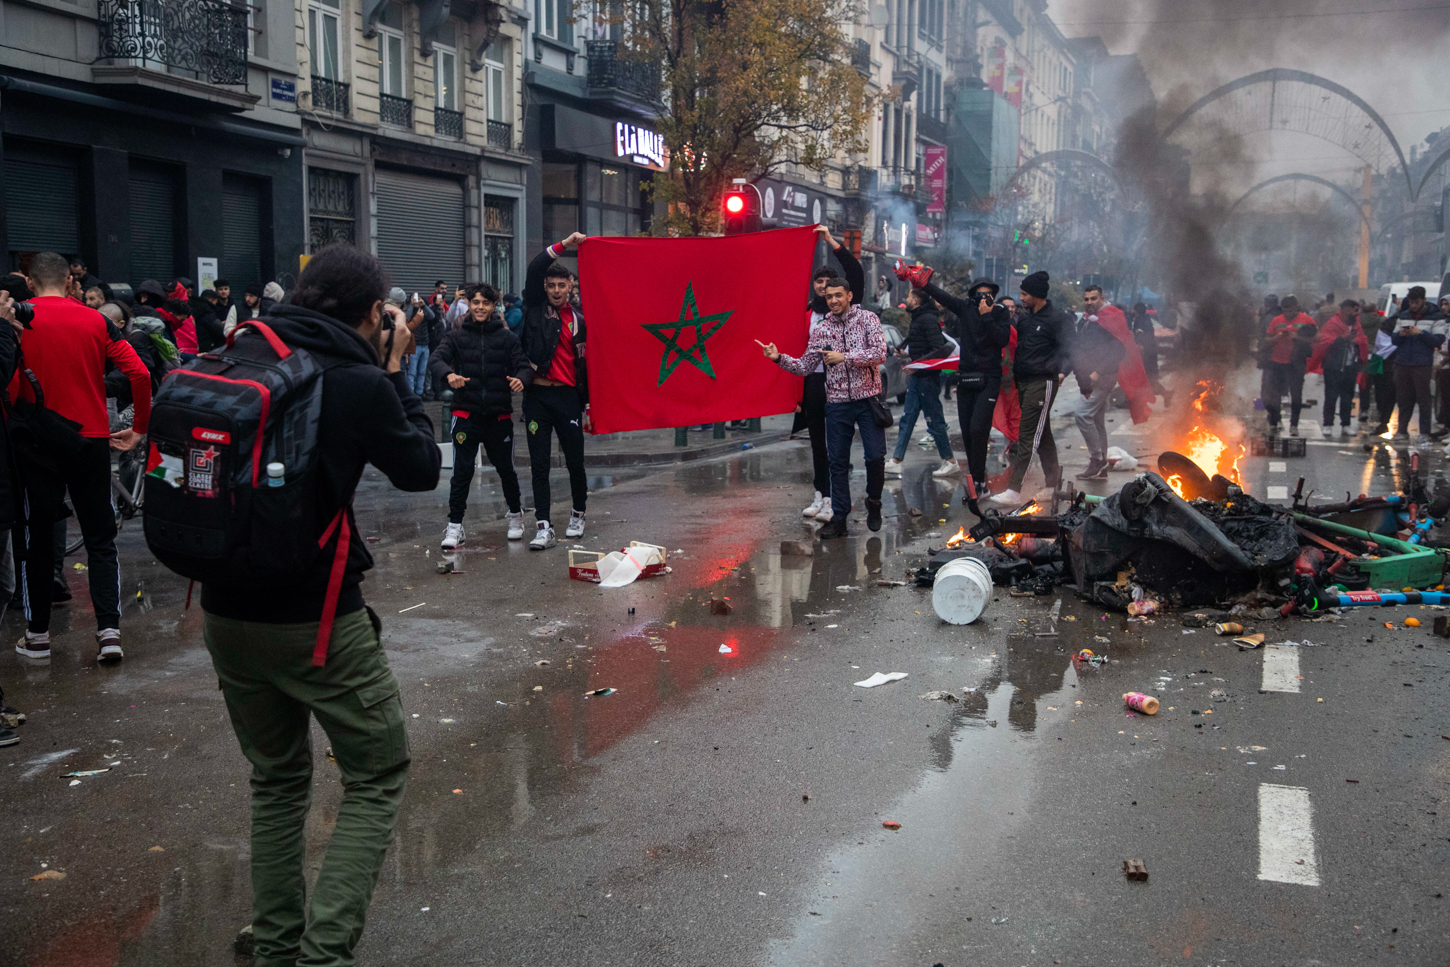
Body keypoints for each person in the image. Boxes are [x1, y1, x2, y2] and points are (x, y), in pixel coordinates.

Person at [199, 243, 440, 967]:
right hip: (317, 616)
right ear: (375, 313)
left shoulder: (240, 351)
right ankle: (323, 950)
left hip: (223, 609)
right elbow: (422, 469)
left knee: (275, 778)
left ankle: (277, 941)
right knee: (376, 770)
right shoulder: (358, 380)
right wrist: (395, 369)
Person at [11, 252, 151, 663]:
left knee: (38, 538)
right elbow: (140, 373)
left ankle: (37, 636)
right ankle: (109, 632)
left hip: (36, 440)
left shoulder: (17, 320)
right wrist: (139, 426)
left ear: (30, 283)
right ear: (71, 283)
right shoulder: (96, 320)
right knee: (101, 538)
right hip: (90, 438)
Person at [759, 276, 888, 536]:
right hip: (837, 402)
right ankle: (839, 518)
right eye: (829, 297)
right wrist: (778, 358)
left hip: (868, 400)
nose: (834, 301)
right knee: (837, 462)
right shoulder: (821, 329)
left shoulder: (868, 320)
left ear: (849, 296)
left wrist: (846, 357)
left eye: (838, 295)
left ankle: (874, 501)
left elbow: (880, 353)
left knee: (875, 456)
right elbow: (806, 365)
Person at [430, 283, 532, 548]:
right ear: (470, 304)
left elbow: (524, 365)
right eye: (475, 302)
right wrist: (448, 374)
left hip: (498, 415)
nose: (480, 307)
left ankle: (515, 516)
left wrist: (521, 378)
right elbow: (436, 359)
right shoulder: (457, 335)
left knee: (506, 469)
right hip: (466, 413)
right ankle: (454, 526)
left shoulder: (507, 338)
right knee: (461, 471)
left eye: (485, 303)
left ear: (493, 306)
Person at [916, 274, 1012, 508]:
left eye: (988, 294)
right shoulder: (965, 308)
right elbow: (943, 297)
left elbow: (1002, 339)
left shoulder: (1000, 313)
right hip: (967, 376)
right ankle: (977, 480)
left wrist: (987, 316)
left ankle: (979, 481)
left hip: (989, 377)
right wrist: (922, 284)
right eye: (979, 294)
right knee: (968, 432)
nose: (983, 298)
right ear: (972, 295)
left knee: (980, 428)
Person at [519, 233, 590, 549]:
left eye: (563, 285)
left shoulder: (579, 320)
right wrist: (565, 244)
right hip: (537, 398)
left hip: (568, 398)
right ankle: (543, 526)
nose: (557, 291)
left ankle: (578, 513)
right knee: (540, 463)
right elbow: (536, 267)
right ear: (544, 288)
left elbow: (588, 364)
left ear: (571, 286)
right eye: (552, 286)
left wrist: (587, 403)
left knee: (575, 460)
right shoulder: (534, 308)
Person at [990, 271, 1072, 506]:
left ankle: (1014, 490)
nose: (1021, 298)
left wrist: (1062, 371)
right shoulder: (1025, 320)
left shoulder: (1057, 320)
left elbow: (1069, 349)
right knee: (1043, 434)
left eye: (1024, 294)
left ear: (1036, 295)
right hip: (1023, 382)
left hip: (1043, 381)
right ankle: (1052, 484)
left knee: (1027, 435)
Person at [799, 227, 864, 521]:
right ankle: (820, 495)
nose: (824, 287)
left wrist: (830, 241)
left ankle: (836, 500)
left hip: (838, 382)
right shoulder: (804, 313)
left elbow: (855, 271)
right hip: (812, 381)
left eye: (829, 283)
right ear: (813, 285)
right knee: (816, 442)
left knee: (836, 444)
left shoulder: (846, 308)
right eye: (819, 282)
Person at [884, 285, 956, 478]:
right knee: (907, 419)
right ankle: (896, 460)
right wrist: (908, 356)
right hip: (917, 378)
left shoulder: (928, 320)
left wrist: (919, 365)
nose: (907, 299)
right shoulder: (920, 319)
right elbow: (925, 348)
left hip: (927, 379)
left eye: (909, 296)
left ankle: (949, 461)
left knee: (934, 420)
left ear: (916, 300)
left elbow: (939, 350)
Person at [1071, 285, 1127, 480]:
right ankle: (1101, 466)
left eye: (1093, 299)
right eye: (1086, 299)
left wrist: (1098, 371)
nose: (1089, 303)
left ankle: (1097, 460)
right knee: (1096, 420)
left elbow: (1119, 351)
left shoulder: (1109, 320)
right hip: (1089, 378)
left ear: (1102, 299)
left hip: (1104, 377)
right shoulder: (1086, 322)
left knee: (1082, 415)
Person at [1386, 286, 1445, 440]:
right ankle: (1401, 430)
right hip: (1402, 362)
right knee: (1403, 398)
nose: (1413, 306)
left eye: (1416, 302)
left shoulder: (1436, 317)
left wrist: (1422, 333)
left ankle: (1424, 432)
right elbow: (1394, 340)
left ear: (1424, 300)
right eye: (1411, 302)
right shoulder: (1404, 315)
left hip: (1422, 364)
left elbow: (1439, 340)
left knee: (1423, 398)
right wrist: (1401, 334)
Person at [1308, 299, 1368, 438]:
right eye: (1354, 310)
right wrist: (1343, 339)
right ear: (1346, 310)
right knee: (1331, 396)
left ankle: (1345, 424)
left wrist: (1356, 342)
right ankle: (1328, 424)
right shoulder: (1333, 324)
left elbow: (1363, 340)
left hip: (1350, 366)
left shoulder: (1356, 325)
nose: (1356, 313)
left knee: (1347, 397)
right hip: (1333, 367)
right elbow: (1325, 341)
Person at [1261, 295, 1317, 436]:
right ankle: (1275, 421)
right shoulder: (1276, 320)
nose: (1288, 315)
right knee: (1275, 395)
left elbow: (1317, 337)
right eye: (1285, 312)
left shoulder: (1306, 320)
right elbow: (1266, 339)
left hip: (1296, 363)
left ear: (1297, 308)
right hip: (1278, 362)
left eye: (1291, 311)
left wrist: (1296, 337)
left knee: (1296, 395)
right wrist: (1277, 337)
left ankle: (1294, 425)